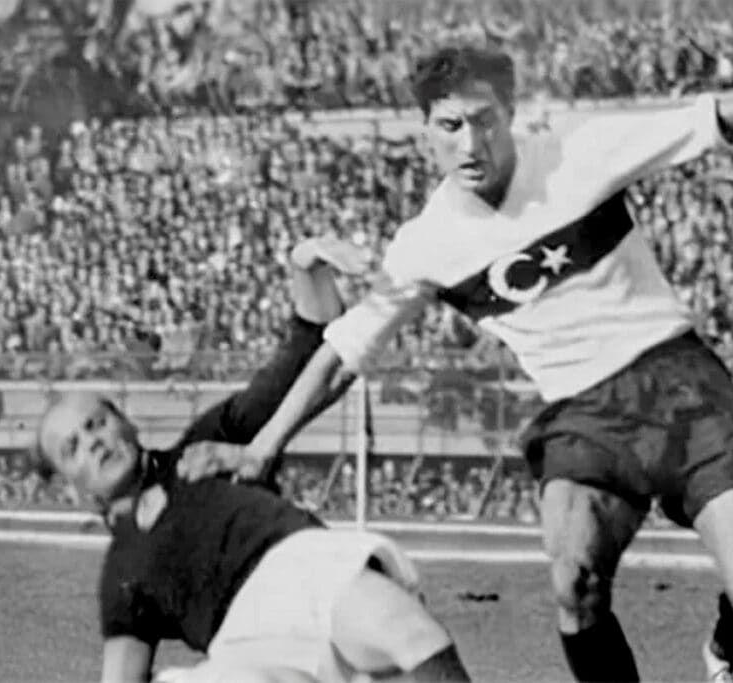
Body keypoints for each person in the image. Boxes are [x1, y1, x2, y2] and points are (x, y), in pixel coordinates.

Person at [240, 47, 733, 683]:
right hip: (583, 412)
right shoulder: (427, 245)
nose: (470, 143)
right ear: (424, 129)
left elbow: (714, 119)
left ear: (511, 116)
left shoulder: (578, 154)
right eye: (450, 126)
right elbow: (343, 350)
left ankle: (727, 645)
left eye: (484, 122)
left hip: (679, 380)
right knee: (573, 579)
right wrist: (268, 441)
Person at [33, 236, 471, 683]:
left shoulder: (207, 444)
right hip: (244, 647)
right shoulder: (121, 576)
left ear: (126, 423)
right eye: (73, 447)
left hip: (307, 572)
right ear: (73, 483)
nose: (94, 442)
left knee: (410, 634)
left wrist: (305, 262)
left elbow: (310, 355)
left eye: (97, 423)